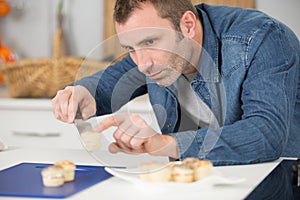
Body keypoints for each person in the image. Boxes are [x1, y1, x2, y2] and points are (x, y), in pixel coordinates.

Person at [52, 0, 300, 166]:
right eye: (130, 48)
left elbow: (266, 133)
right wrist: (83, 92)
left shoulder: (262, 37)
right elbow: (110, 80)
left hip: (276, 182)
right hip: (200, 181)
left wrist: (166, 145)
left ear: (188, 25)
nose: (142, 64)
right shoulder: (151, 55)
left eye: (150, 42)